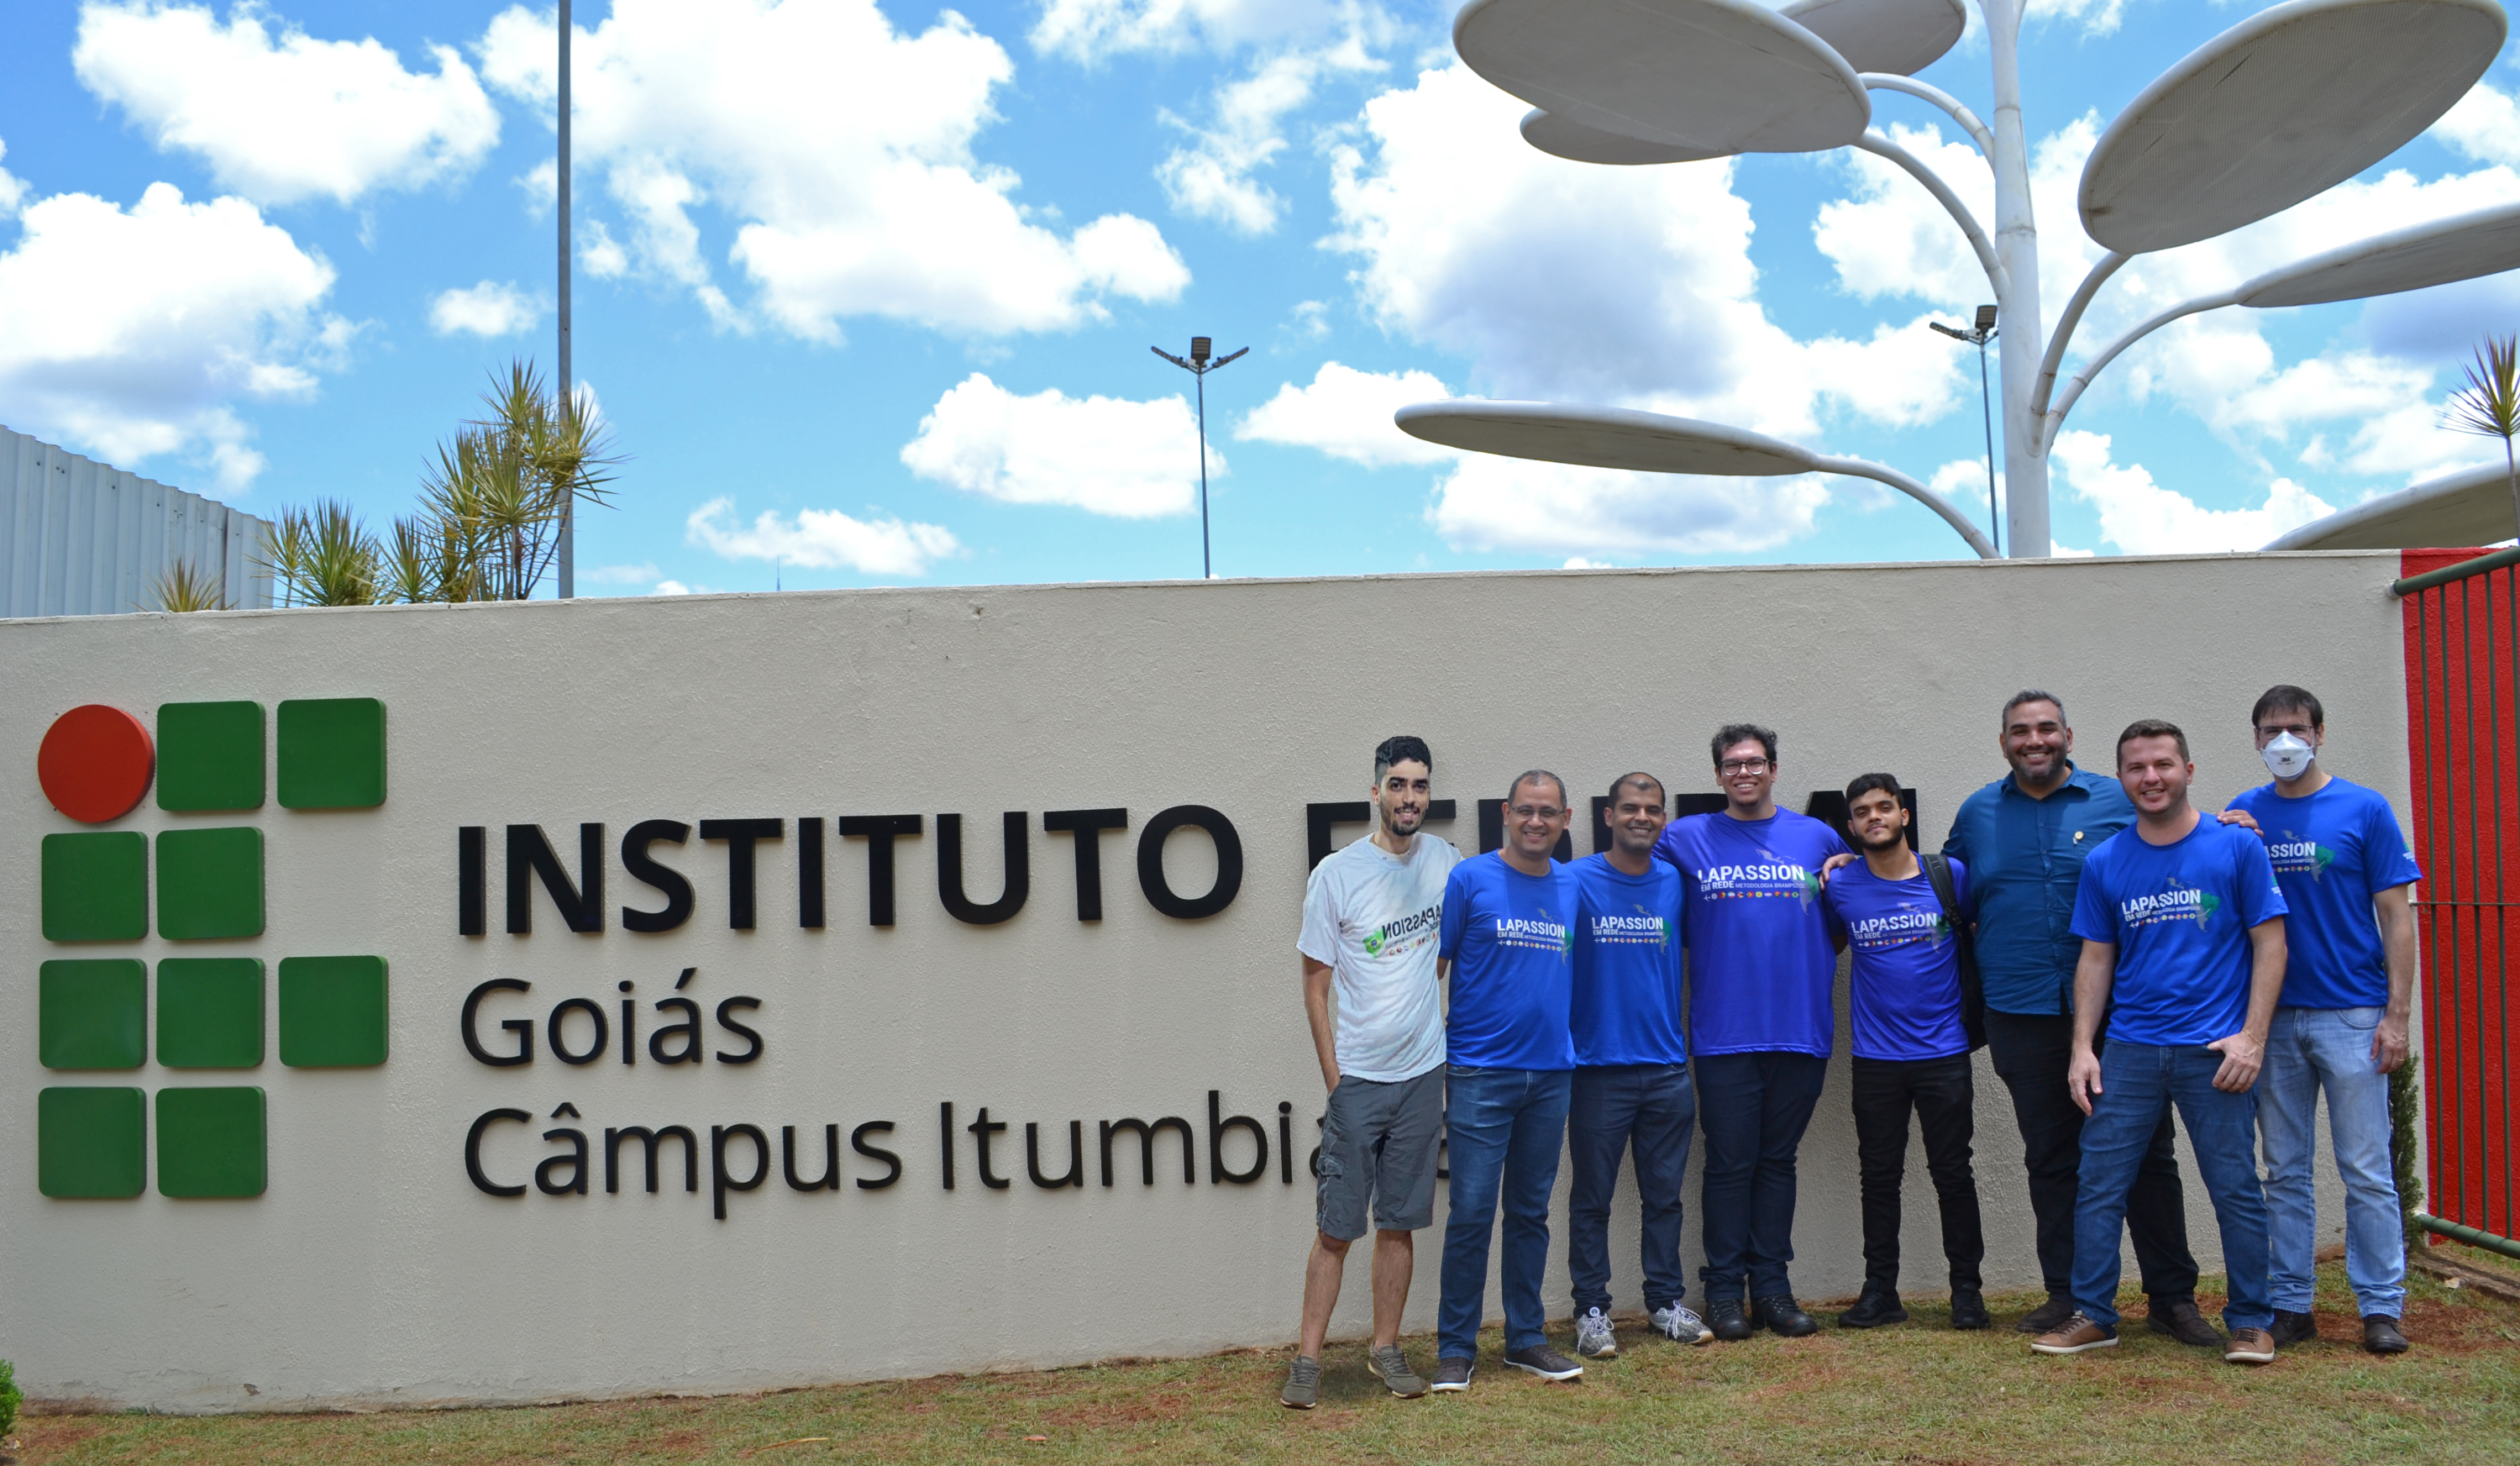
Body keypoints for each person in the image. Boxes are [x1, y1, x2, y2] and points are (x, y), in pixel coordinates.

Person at [1943, 691, 2213, 1346]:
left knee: (2149, 1154)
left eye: (2045, 728)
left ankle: (2171, 1297)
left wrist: (2237, 821)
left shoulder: (2117, 798)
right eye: (2019, 730)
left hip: (2124, 1010)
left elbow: (2182, 838)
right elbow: (1947, 888)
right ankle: (2069, 1295)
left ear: (2067, 733)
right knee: (2052, 1156)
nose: (2033, 739)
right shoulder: (1977, 812)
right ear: (2003, 740)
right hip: (2020, 1007)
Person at [2034, 720, 2288, 1366]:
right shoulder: (2107, 860)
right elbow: (2095, 959)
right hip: (2131, 1048)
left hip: (2215, 1051)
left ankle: (2252, 1322)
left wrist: (2252, 1038)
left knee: (2233, 1186)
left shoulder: (2235, 848)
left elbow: (2271, 944)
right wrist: (2082, 1047)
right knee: (2099, 1182)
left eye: (2163, 765)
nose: (2151, 778)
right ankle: (2094, 1314)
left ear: (2189, 770)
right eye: (2137, 768)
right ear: (2122, 778)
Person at [2226, 685, 2421, 1356]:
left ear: (2319, 732)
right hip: (2274, 1021)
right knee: (2284, 1168)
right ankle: (2291, 1303)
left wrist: (2397, 1016)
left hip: (2353, 1014)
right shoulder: (2242, 814)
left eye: (2297, 727)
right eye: (2272, 729)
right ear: (2255, 738)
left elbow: (2397, 916)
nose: (2285, 740)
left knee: (2366, 1167)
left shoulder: (2364, 808)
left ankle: (2381, 1306)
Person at [1653, 724, 1849, 1340]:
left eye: (1754, 762)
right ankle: (1722, 1292)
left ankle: (1772, 1290)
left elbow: (1843, 917)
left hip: (1800, 1027)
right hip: (1723, 1033)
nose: (1744, 772)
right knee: (1730, 1164)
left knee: (1777, 1161)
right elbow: (1643, 894)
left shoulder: (1817, 837)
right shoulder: (1683, 838)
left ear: (1773, 768)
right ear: (1717, 775)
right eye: (1731, 764)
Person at [1284, 735, 1458, 1409]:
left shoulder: (1448, 861)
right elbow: (1314, 987)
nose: (1409, 797)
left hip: (1422, 1075)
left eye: (1419, 785)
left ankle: (1386, 1349)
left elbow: (1441, 957)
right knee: (1335, 1229)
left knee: (1400, 1222)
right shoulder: (1337, 873)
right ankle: (1307, 1360)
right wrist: (1336, 1080)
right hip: (1357, 1081)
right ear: (1377, 791)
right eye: (1398, 784)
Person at [1432, 771, 1585, 1391]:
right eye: (1526, 810)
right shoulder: (1470, 878)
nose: (1536, 821)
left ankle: (1525, 1339)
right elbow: (1434, 967)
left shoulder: (1572, 886)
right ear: (1506, 812)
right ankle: (1455, 1348)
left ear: (1567, 818)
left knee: (1529, 1212)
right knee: (1470, 1211)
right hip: (1479, 1073)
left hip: (1551, 1074)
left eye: (1548, 812)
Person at [1822, 773, 1988, 1332]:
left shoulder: (1948, 876)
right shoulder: (1841, 887)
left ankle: (1966, 1291)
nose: (1875, 817)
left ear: (1903, 815)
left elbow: (1978, 930)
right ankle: (1881, 1291)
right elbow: (1830, 937)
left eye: (1884, 807)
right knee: (1879, 1175)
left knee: (1953, 1172)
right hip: (1875, 1057)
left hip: (1944, 1051)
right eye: (1863, 811)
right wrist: (1834, 867)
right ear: (1851, 826)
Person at [1567, 773, 1712, 1360]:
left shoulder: (1675, 883)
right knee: (1592, 1199)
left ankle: (1664, 1302)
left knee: (1666, 1196)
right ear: (1608, 815)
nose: (1642, 816)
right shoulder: (1574, 880)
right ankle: (1592, 1310)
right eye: (1631, 807)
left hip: (1666, 1068)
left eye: (1653, 809)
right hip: (1597, 1068)